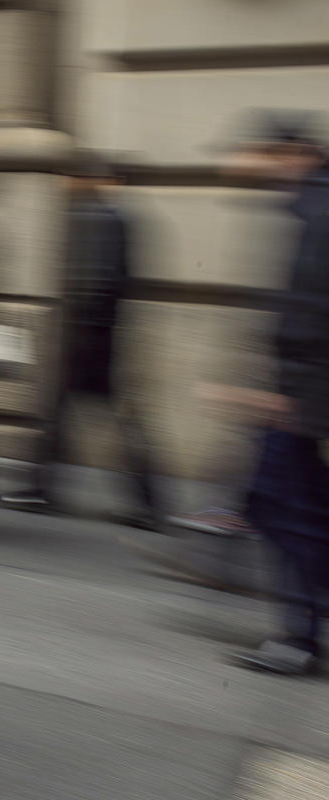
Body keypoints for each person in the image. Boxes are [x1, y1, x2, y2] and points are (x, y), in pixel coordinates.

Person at [0, 154, 163, 531]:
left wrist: (77, 340)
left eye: (66, 177)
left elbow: (95, 285)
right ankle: (45, 488)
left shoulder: (94, 218)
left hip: (89, 343)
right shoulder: (113, 216)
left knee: (107, 422)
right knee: (62, 419)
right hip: (98, 339)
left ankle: (145, 504)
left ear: (83, 179)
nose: (61, 184)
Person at [218, 112, 329, 675]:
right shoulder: (307, 206)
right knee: (303, 506)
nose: (246, 162)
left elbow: (310, 316)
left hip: (304, 396)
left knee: (276, 504)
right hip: (305, 393)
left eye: (259, 152)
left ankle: (299, 637)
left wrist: (284, 396)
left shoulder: (316, 211)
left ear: (294, 153)